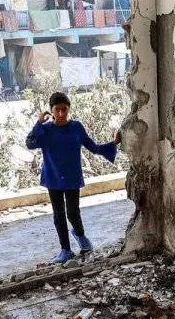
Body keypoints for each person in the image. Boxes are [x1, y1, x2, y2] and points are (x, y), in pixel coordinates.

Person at [26, 91, 118, 264]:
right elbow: (30, 143)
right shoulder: (45, 129)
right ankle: (65, 250)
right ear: (51, 111)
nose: (61, 114)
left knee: (73, 212)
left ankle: (82, 240)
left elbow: (93, 147)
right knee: (58, 215)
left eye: (64, 110)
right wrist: (38, 123)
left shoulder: (76, 127)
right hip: (53, 177)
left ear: (69, 109)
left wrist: (113, 145)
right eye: (57, 110)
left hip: (72, 177)